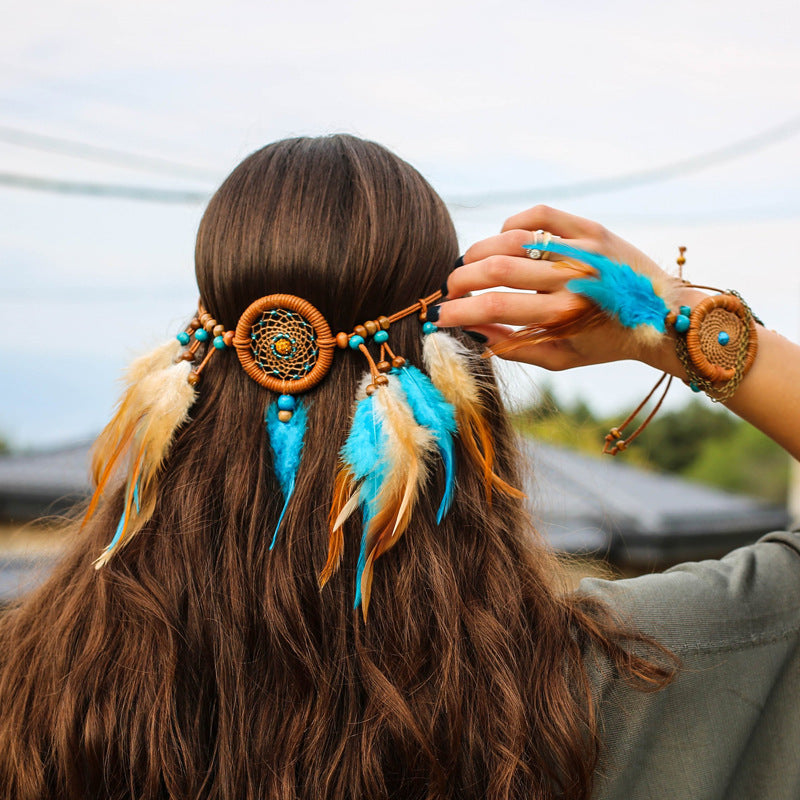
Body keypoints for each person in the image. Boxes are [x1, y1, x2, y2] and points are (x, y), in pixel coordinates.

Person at [0, 135, 795, 800]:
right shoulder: (626, 683)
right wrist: (679, 320)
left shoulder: (32, 687)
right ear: (458, 390)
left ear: (189, 381)